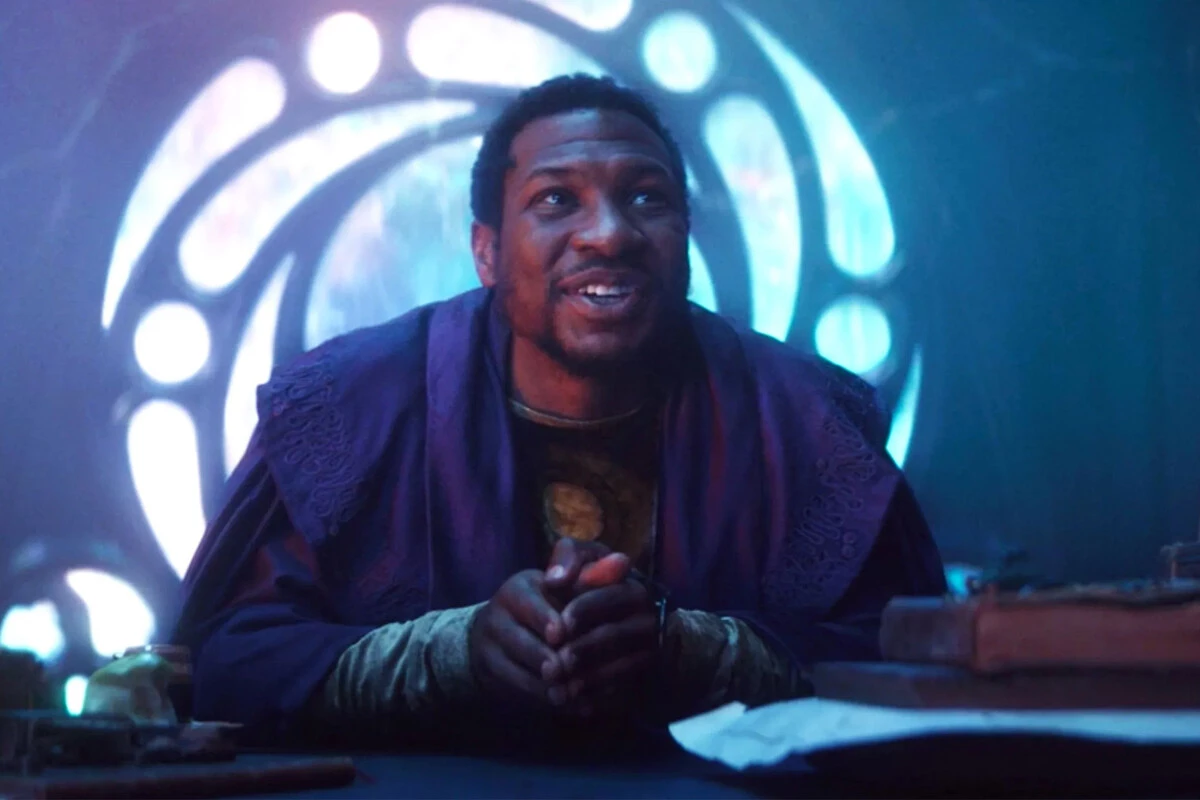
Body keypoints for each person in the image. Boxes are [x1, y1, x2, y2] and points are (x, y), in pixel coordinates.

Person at [172, 74, 945, 748]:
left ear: (684, 235)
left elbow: (915, 661)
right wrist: (454, 653)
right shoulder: (352, 405)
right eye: (555, 200)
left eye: (646, 198)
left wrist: (687, 649)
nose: (609, 234)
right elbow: (225, 663)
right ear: (487, 252)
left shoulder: (807, 419)